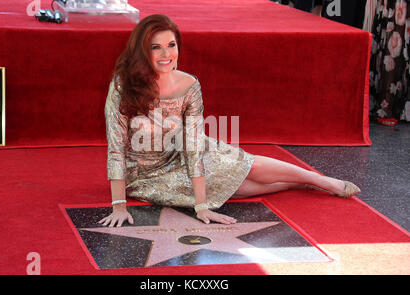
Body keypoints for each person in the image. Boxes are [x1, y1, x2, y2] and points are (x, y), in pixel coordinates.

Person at [99, 14, 360, 228]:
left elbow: (192, 146)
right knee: (237, 189)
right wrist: (119, 206)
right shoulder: (122, 87)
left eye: (171, 44)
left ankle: (320, 180)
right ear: (142, 51)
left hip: (184, 150)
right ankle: (297, 182)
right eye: (156, 47)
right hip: (144, 175)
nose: (166, 54)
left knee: (246, 166)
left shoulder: (189, 84)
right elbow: (116, 149)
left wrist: (200, 206)